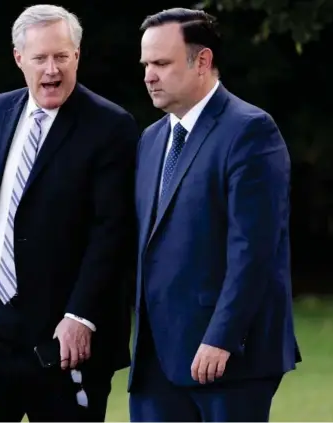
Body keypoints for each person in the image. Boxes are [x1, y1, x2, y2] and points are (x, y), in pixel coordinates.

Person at [0, 4, 138, 422]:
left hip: (63, 336)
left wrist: (80, 316)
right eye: (40, 58)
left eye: (62, 57)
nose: (52, 69)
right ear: (19, 59)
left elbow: (113, 233)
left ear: (77, 56)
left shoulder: (110, 127)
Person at [128, 8, 302, 422]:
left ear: (202, 61)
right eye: (146, 64)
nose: (150, 75)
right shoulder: (151, 140)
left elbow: (254, 250)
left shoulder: (250, 131)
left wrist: (221, 338)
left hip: (228, 359)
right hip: (156, 362)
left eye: (162, 63)